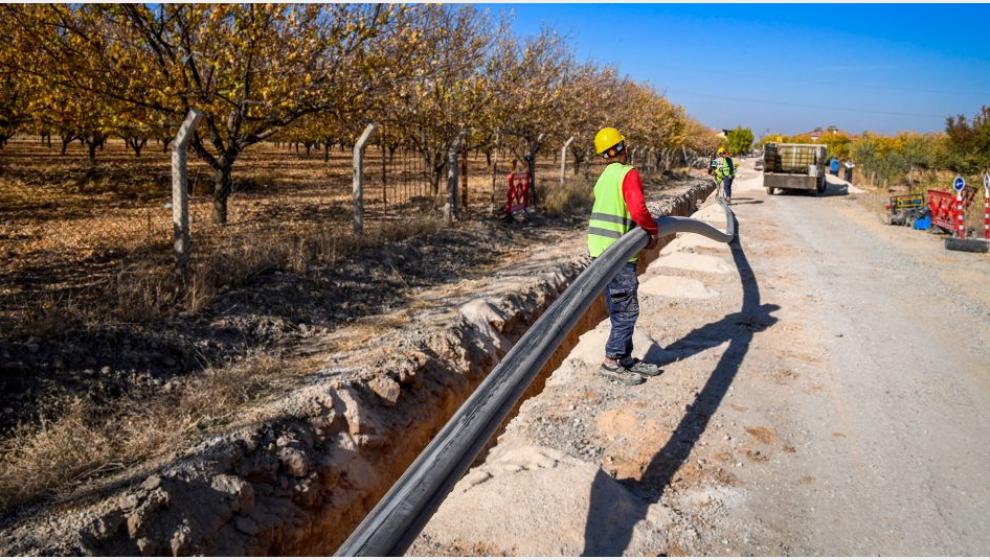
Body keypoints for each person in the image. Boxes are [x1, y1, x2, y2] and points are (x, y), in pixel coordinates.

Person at [588, 127, 663, 386]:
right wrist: (652, 232)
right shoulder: (627, 173)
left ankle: (626, 358)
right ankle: (612, 360)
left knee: (619, 307)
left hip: (599, 252)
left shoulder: (604, 177)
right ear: (623, 147)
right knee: (627, 310)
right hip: (618, 254)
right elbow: (639, 210)